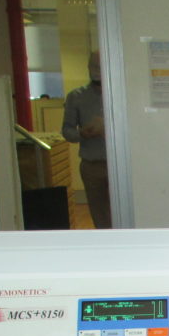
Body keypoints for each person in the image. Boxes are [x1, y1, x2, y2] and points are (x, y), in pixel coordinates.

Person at [62, 51, 111, 228]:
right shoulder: (76, 97)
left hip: (120, 165)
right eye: (93, 66)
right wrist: (82, 133)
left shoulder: (120, 94)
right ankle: (107, 250)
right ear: (88, 68)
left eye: (101, 66)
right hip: (92, 165)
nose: (97, 70)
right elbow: (67, 131)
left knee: (125, 211)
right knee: (99, 214)